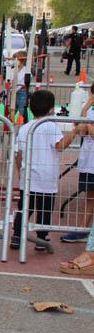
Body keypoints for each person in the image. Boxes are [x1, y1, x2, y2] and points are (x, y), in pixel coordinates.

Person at [11, 90, 76, 250]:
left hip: (28, 177)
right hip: (46, 178)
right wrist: (73, 132)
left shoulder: (25, 128)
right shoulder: (50, 126)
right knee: (45, 209)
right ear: (51, 109)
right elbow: (60, 146)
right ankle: (41, 237)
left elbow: (19, 155)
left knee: (25, 207)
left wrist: (20, 172)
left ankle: (17, 235)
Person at [62, 82, 94, 243]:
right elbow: (80, 127)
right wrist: (87, 106)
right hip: (89, 159)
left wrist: (87, 126)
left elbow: (90, 130)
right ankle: (82, 230)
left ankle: (83, 229)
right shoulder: (90, 108)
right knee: (89, 196)